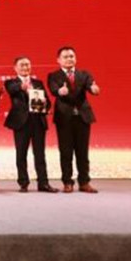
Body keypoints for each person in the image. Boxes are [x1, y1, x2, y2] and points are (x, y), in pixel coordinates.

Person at [47, 46, 100, 193]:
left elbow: (91, 86)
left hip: (83, 117)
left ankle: (84, 182)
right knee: (66, 152)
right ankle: (67, 182)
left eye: (71, 56)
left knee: (83, 152)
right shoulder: (54, 76)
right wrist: (60, 91)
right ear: (58, 60)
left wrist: (94, 89)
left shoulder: (84, 74)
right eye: (65, 57)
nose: (69, 59)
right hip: (64, 118)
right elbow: (53, 89)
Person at [4, 57, 58, 193]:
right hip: (21, 123)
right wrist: (22, 87)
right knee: (21, 154)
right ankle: (23, 183)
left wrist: (46, 105)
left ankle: (43, 183)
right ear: (15, 68)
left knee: (40, 154)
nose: (25, 67)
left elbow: (47, 101)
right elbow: (12, 90)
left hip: (38, 121)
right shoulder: (11, 82)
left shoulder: (38, 83)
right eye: (22, 65)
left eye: (27, 64)